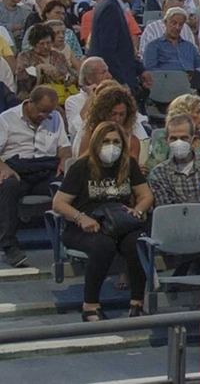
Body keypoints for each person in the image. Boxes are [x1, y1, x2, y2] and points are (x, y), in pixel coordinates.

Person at [51, 121, 151, 319]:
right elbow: (59, 203)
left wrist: (137, 211)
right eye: (106, 141)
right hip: (85, 225)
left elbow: (146, 195)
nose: (111, 146)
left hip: (119, 222)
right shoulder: (81, 166)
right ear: (96, 143)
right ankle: (90, 306)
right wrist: (81, 218)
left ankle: (137, 302)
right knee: (103, 245)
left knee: (136, 243)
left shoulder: (128, 164)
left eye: (116, 141)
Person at [0, 87, 71, 267]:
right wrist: (4, 168)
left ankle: (70, 241)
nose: (45, 116)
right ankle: (9, 246)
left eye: (49, 112)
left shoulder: (54, 118)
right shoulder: (7, 119)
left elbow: (64, 146)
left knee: (66, 185)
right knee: (8, 186)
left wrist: (64, 159)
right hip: (17, 169)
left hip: (45, 169)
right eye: (41, 110)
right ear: (30, 102)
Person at [147, 113, 200, 237]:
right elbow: (167, 212)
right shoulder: (158, 173)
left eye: (184, 138)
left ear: (193, 140)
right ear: (167, 140)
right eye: (173, 138)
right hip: (178, 231)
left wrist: (185, 209)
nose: (178, 143)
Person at [87, 0, 150, 94]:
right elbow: (108, 50)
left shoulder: (113, 6)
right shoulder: (109, 8)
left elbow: (123, 48)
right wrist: (120, 82)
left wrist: (140, 70)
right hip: (115, 81)